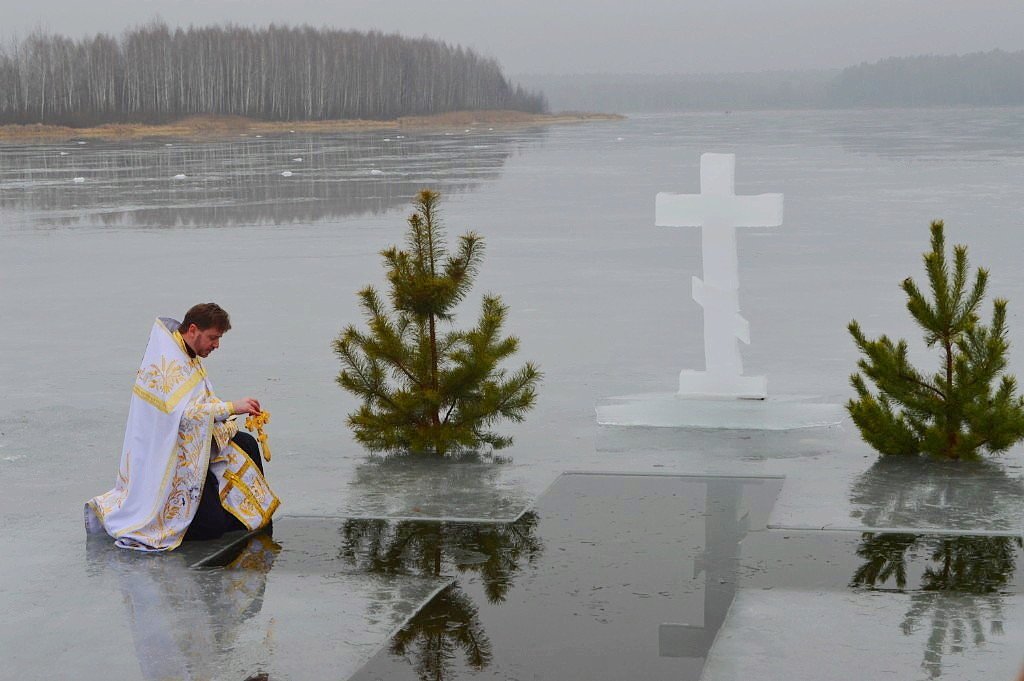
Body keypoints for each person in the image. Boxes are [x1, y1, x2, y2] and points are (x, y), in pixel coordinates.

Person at [85, 303, 279, 551]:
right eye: (213, 338)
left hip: (195, 442)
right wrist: (230, 408)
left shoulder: (187, 353)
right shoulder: (167, 362)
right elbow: (183, 416)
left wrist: (228, 412)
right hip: (170, 457)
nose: (216, 345)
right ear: (194, 330)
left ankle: (253, 517)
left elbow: (201, 402)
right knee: (212, 528)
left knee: (246, 443)